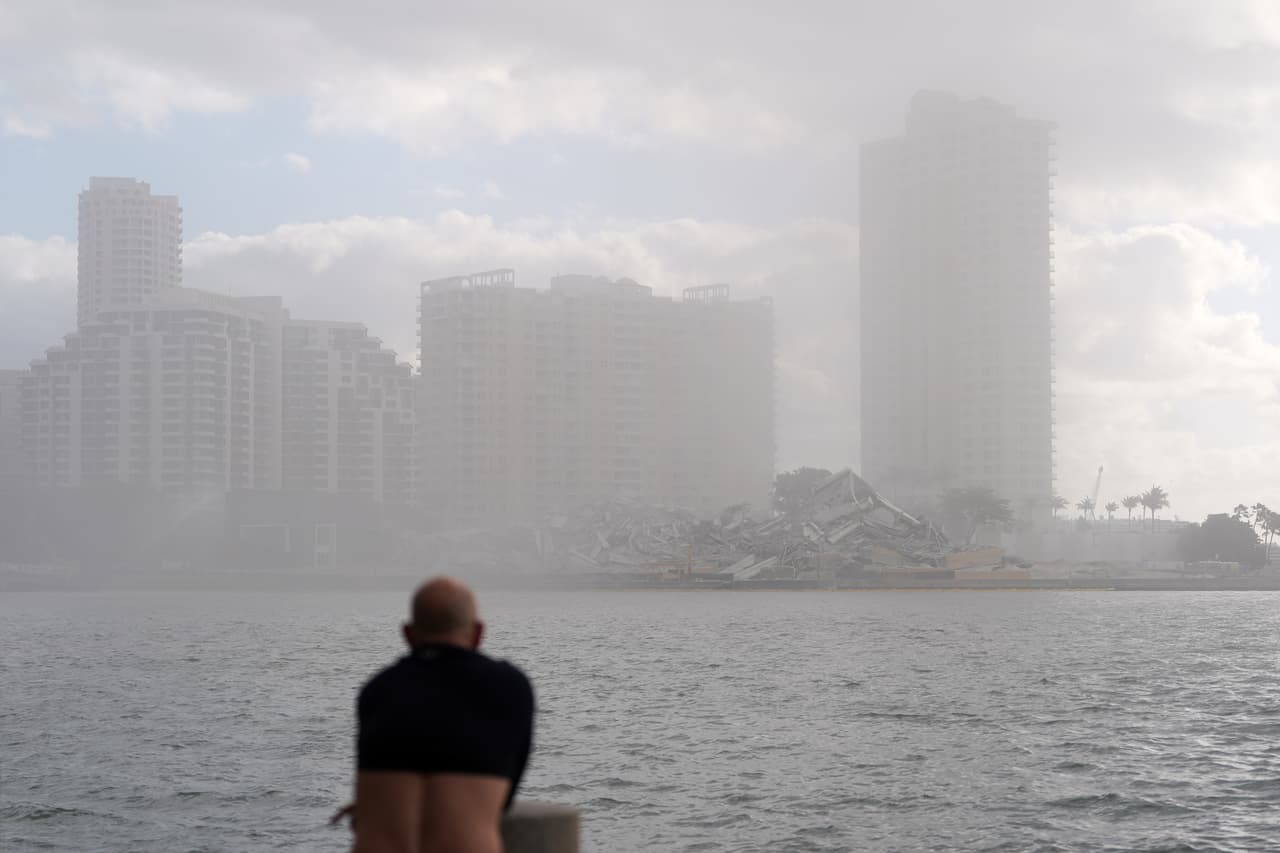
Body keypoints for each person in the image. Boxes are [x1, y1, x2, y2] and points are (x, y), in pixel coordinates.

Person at [334, 577, 535, 853]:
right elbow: (503, 799)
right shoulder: (509, 687)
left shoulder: (378, 690)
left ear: (407, 634)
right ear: (478, 633)